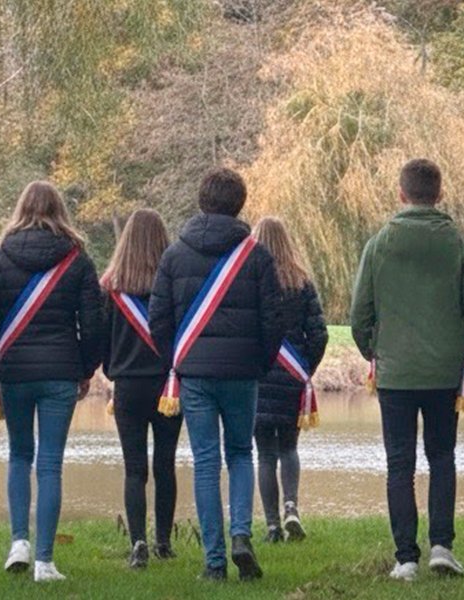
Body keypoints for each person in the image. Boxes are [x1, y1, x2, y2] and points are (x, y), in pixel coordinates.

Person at [350, 159, 464, 581]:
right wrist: (459, 350)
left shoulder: (379, 244)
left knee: (400, 463)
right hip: (444, 372)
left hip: (395, 372)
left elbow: (360, 314)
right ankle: (442, 545)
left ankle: (406, 557)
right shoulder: (460, 246)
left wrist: (376, 350)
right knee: (442, 457)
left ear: (401, 193)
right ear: (439, 194)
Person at [148, 168, 285, 582]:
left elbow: (158, 318)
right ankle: (241, 533)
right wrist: (260, 363)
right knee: (241, 453)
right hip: (242, 370)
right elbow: (273, 319)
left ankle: (214, 562)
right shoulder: (257, 256)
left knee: (205, 462)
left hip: (195, 373)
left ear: (201, 200)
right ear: (240, 204)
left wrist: (177, 359)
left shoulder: (174, 254)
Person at [0, 181, 106, 583]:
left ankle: (19, 541)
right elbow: (93, 323)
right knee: (50, 463)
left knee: (19, 455)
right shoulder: (77, 260)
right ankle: (45, 562)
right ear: (59, 211)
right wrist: (86, 369)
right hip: (60, 370)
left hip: (14, 371)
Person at [97, 208, 182, 568]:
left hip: (128, 385)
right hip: (167, 388)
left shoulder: (111, 288)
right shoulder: (173, 285)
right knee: (165, 464)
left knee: (134, 468)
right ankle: (164, 541)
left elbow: (101, 340)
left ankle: (138, 543)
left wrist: (111, 369)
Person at [250, 216, 327, 544]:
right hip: (293, 377)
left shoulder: (250, 281)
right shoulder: (301, 281)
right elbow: (319, 334)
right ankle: (292, 507)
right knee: (289, 447)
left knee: (265, 453)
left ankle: (271, 525)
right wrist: (305, 369)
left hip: (259, 377)